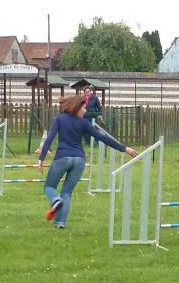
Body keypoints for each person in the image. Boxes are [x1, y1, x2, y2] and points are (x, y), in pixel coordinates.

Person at [39, 94, 138, 228]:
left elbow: (50, 138)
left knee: (49, 187)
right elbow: (102, 138)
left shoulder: (60, 119)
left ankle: (55, 200)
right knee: (67, 192)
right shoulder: (84, 123)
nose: (85, 111)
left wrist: (41, 158)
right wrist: (124, 148)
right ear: (76, 108)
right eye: (84, 108)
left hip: (63, 157)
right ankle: (60, 223)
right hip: (79, 160)